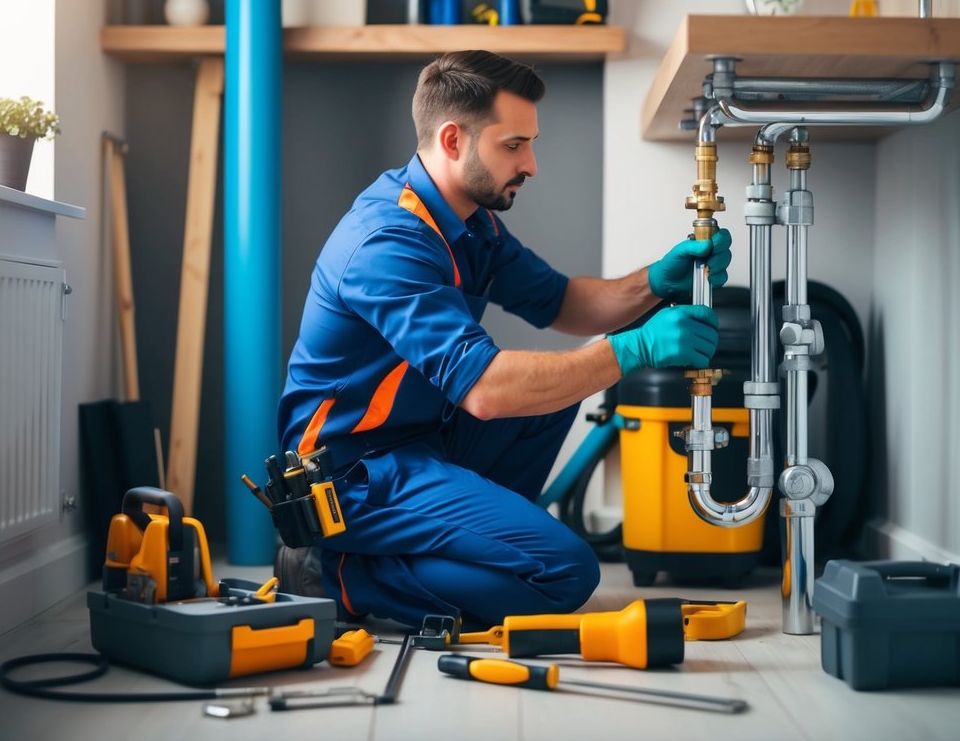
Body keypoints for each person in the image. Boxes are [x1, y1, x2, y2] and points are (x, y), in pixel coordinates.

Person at [276, 50, 730, 628]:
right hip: (350, 474)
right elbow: (487, 392)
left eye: (530, 143)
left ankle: (460, 548)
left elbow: (567, 303)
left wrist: (656, 281)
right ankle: (334, 572)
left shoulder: (471, 224)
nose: (532, 164)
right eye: (513, 146)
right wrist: (636, 347)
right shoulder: (388, 243)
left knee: (548, 400)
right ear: (452, 140)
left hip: (422, 441)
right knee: (566, 573)